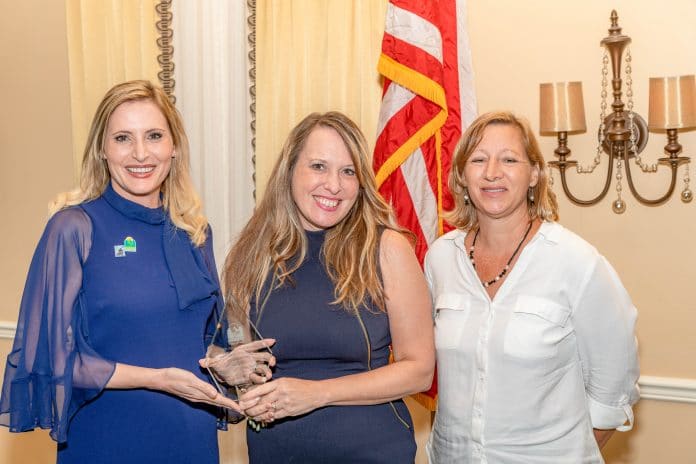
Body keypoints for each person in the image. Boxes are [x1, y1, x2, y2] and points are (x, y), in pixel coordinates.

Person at [0, 80, 273, 463]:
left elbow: (197, 339)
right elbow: (52, 359)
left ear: (174, 146)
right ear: (102, 149)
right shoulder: (75, 228)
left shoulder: (194, 232)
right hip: (109, 439)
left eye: (154, 136)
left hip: (190, 440)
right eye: (123, 138)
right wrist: (157, 378)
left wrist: (224, 363)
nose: (141, 153)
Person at [209, 111, 435, 463]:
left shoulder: (386, 248)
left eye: (348, 171)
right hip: (276, 453)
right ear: (290, 170)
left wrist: (317, 394)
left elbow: (419, 369)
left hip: (371, 452)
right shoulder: (249, 254)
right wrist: (229, 374)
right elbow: (240, 360)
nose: (334, 184)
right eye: (318, 166)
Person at [424, 111, 640, 463]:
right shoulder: (439, 259)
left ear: (534, 174)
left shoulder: (576, 261)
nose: (492, 172)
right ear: (462, 176)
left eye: (509, 159)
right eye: (479, 159)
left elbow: (612, 386)